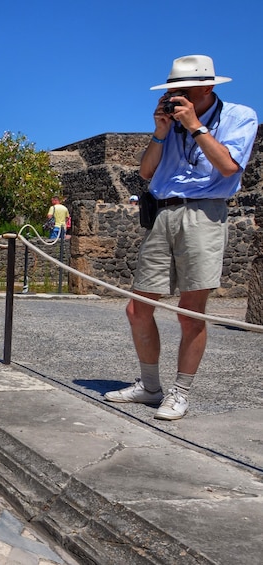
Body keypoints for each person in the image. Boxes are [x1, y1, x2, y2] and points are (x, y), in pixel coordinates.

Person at [104, 55, 257, 420]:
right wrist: (160, 131)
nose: (176, 96)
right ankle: (150, 386)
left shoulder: (239, 116)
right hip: (163, 211)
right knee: (137, 308)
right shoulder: (169, 124)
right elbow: (145, 171)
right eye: (172, 90)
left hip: (204, 212)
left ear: (207, 87)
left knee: (190, 314)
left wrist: (195, 126)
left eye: (182, 90)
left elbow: (228, 166)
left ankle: (181, 391)